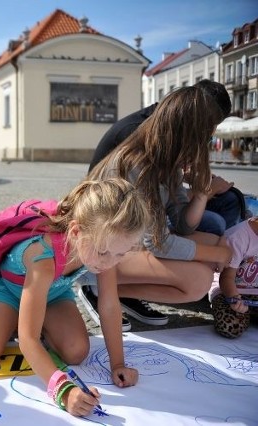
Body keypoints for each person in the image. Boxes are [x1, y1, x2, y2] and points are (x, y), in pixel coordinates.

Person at [0, 178, 150, 417]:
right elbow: (27, 339)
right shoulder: (43, 258)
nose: (109, 261)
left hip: (54, 294)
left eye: (121, 254)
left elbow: (108, 305)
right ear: (75, 231)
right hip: (9, 291)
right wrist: (63, 390)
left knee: (76, 351)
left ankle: (36, 318)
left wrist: (118, 364)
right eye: (104, 252)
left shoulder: (104, 246)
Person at [79, 86, 233, 331]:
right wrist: (216, 256)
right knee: (199, 279)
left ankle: (116, 290)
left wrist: (203, 193)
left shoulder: (166, 160)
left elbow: (183, 224)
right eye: (202, 140)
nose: (201, 149)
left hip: (130, 245)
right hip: (101, 253)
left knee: (215, 240)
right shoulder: (139, 165)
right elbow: (161, 244)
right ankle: (96, 286)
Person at [209, 216, 258, 338]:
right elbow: (226, 278)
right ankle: (242, 315)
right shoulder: (238, 237)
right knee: (230, 326)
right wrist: (235, 298)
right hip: (229, 290)